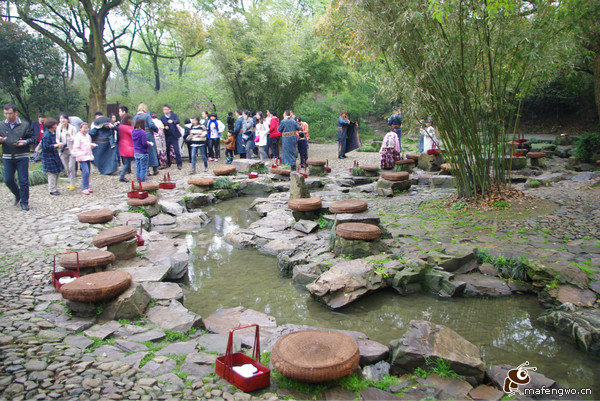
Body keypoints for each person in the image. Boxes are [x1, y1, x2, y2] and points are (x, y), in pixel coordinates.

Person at [1, 103, 34, 210]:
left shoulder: (24, 125)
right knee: (8, 180)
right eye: (5, 113)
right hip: (7, 156)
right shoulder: (1, 125)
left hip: (22, 156)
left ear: (15, 113)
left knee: (23, 180)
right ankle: (18, 194)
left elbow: (32, 138)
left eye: (10, 113)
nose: (8, 116)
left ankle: (24, 202)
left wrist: (24, 142)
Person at [132, 103, 159, 176]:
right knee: (152, 151)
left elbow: (133, 127)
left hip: (138, 136)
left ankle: (146, 170)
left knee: (142, 151)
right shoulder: (147, 115)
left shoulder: (135, 117)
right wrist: (156, 129)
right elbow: (151, 125)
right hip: (148, 134)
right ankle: (155, 168)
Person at [71, 122, 96, 195]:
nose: (85, 130)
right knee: (86, 171)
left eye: (87, 128)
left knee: (88, 171)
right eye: (84, 128)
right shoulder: (78, 137)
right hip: (81, 156)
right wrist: (80, 153)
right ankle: (84, 187)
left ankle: (87, 186)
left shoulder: (88, 136)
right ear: (80, 128)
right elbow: (76, 147)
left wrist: (91, 145)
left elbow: (88, 144)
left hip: (88, 155)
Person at [41, 117, 64, 195]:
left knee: (57, 172)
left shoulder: (52, 133)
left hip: (54, 155)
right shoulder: (46, 135)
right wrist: (55, 145)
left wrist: (57, 146)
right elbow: (45, 147)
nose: (56, 125)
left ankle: (55, 188)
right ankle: (52, 189)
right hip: (48, 157)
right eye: (55, 124)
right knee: (52, 173)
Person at [56, 113, 77, 190]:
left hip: (71, 149)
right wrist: (58, 143)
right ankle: (71, 181)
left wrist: (69, 135)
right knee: (66, 167)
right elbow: (57, 138)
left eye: (64, 118)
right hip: (63, 149)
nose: (62, 120)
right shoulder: (59, 128)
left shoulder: (72, 128)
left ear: (67, 119)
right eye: (61, 118)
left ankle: (73, 183)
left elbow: (75, 139)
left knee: (71, 166)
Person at [159, 104, 183, 169]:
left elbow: (178, 121)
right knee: (167, 150)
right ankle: (168, 163)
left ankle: (179, 163)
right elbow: (160, 125)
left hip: (174, 135)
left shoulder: (173, 115)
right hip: (167, 135)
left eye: (166, 109)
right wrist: (164, 127)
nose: (165, 111)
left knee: (176, 150)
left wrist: (172, 122)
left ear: (169, 109)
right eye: (164, 109)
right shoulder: (162, 117)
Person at [118, 115, 135, 182]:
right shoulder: (127, 128)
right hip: (128, 146)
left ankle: (122, 176)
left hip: (123, 145)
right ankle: (122, 176)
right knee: (130, 163)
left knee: (126, 163)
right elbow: (133, 134)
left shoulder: (121, 126)